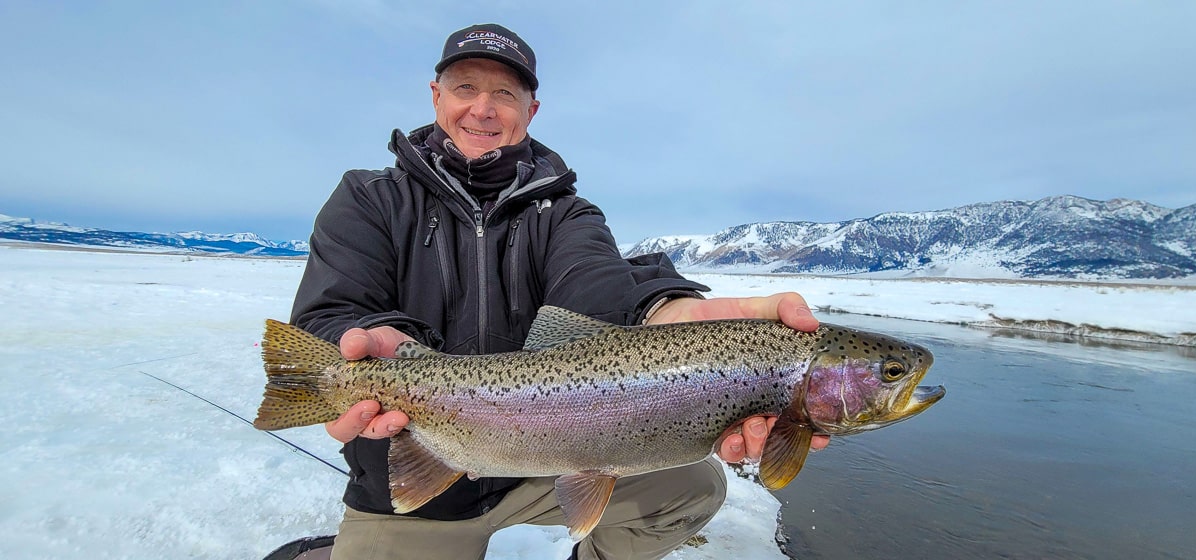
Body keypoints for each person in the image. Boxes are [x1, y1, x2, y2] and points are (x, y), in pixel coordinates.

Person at [288, 23, 829, 560]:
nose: (483, 109)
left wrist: (662, 311)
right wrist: (383, 349)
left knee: (694, 487)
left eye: (504, 93)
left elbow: (598, 287)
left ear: (531, 110)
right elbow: (329, 313)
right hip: (415, 463)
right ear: (436, 96)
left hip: (544, 462)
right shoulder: (369, 197)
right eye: (466, 88)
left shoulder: (567, 213)